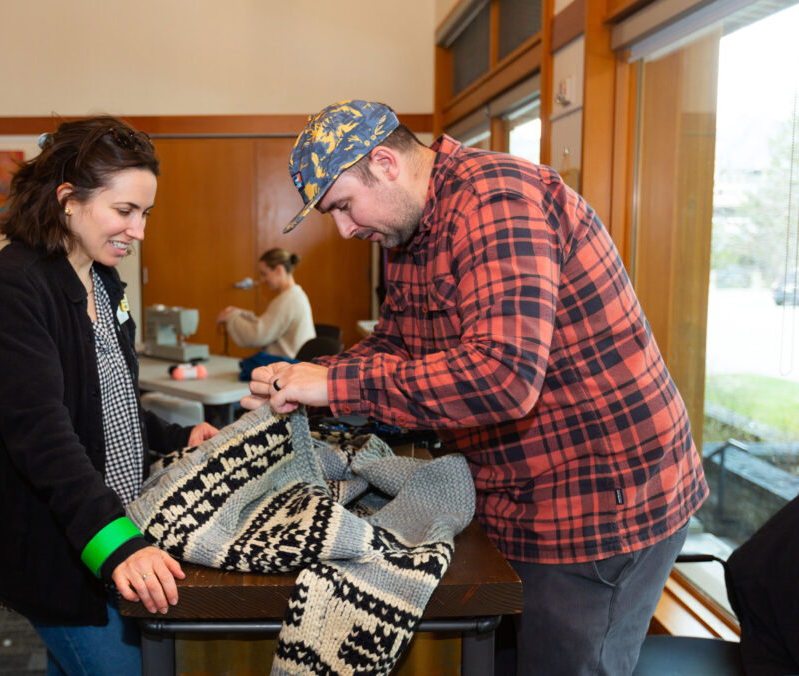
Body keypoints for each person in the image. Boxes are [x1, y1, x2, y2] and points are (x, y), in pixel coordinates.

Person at [241, 100, 709, 676]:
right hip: (516, 490)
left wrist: (336, 381)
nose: (344, 229)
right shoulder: (407, 233)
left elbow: (505, 378)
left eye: (343, 206)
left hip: (600, 498)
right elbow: (396, 346)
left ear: (385, 163)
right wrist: (304, 383)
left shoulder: (496, 201)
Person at [0, 116, 218, 675]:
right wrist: (117, 545)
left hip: (101, 517)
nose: (139, 231)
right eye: (124, 211)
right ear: (67, 199)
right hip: (60, 537)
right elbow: (41, 433)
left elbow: (105, 399)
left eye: (145, 214)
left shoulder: (100, 277)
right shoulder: (12, 286)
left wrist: (173, 436)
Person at [215, 247, 316, 358]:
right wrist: (240, 314)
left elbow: (257, 335)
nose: (263, 280)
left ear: (279, 270)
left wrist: (230, 317)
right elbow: (266, 325)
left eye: (264, 274)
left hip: (288, 366)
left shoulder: (288, 300)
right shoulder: (293, 296)